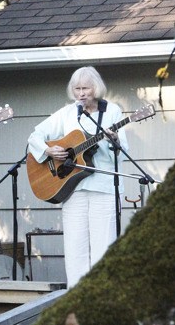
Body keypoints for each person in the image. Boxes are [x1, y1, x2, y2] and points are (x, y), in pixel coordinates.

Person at [27, 66, 128, 287]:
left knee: (104, 248)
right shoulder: (67, 113)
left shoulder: (112, 112)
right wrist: (48, 151)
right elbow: (35, 136)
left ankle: (100, 299)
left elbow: (121, 152)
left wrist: (114, 141)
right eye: (77, 89)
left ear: (96, 89)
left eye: (86, 89)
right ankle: (75, 298)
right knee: (75, 248)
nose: (81, 94)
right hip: (73, 190)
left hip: (104, 189)